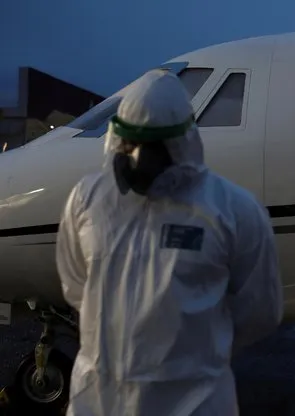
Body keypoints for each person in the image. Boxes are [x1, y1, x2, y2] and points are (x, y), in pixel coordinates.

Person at [55, 69, 283, 416]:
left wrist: (195, 355)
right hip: (97, 400)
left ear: (183, 143)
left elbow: (260, 310)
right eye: (130, 144)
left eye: (154, 147)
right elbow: (76, 287)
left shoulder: (233, 210)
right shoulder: (88, 202)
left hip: (194, 402)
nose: (139, 160)